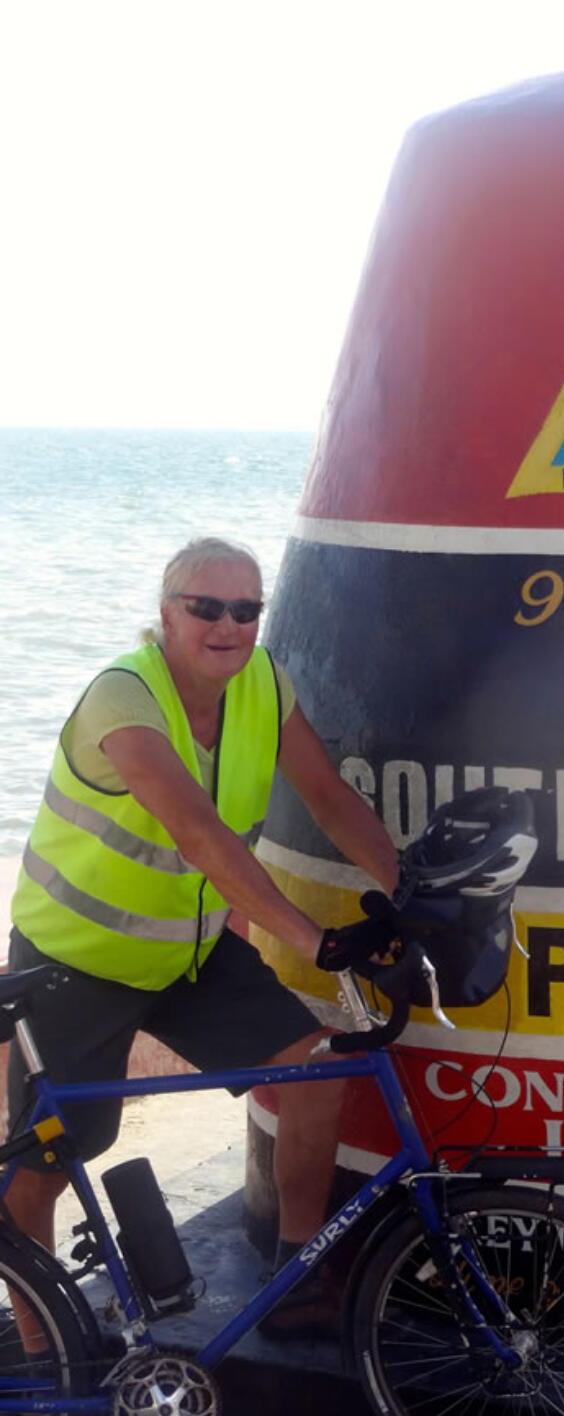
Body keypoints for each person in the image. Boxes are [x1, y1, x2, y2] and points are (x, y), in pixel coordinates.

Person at [5, 536, 400, 1339]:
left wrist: (404, 889)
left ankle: (298, 1273)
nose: (229, 624)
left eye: (247, 609)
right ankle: (40, 1342)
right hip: (78, 960)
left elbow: (326, 795)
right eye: (207, 607)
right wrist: (305, 934)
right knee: (45, 1165)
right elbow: (200, 836)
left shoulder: (263, 684)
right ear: (166, 616)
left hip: (189, 953)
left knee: (316, 1073)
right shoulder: (124, 700)